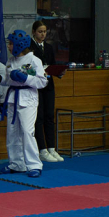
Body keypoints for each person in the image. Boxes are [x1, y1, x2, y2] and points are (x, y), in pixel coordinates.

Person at [0, 30, 48, 177]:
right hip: (13, 98)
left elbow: (42, 82)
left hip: (28, 98)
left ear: (20, 44)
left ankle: (34, 165)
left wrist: (25, 78)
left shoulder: (34, 60)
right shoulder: (11, 61)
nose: (9, 46)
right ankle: (16, 164)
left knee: (27, 132)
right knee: (12, 133)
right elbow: (8, 80)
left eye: (11, 44)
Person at [30, 20, 60, 162]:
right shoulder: (29, 47)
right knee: (39, 117)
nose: (43, 34)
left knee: (49, 116)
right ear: (34, 32)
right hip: (36, 86)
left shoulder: (48, 47)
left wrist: (59, 71)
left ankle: (51, 148)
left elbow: (53, 64)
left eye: (44, 32)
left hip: (48, 85)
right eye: (40, 32)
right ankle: (42, 149)